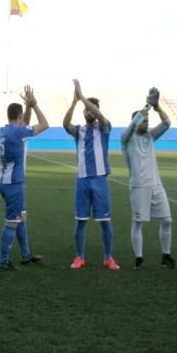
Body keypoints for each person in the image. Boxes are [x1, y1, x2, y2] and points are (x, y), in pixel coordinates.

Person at [62, 78, 117, 270]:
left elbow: (101, 117)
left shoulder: (104, 127)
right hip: (83, 180)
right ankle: (79, 257)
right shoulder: (79, 130)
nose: (88, 112)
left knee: (105, 221)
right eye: (85, 110)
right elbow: (65, 123)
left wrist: (83, 97)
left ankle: (108, 257)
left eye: (91, 109)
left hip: (100, 180)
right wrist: (75, 101)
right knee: (81, 221)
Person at [120, 87, 177, 269]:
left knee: (167, 220)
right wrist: (145, 107)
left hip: (156, 184)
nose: (147, 123)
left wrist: (157, 107)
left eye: (147, 121)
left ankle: (166, 256)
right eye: (144, 121)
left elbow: (167, 123)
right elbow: (129, 130)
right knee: (138, 223)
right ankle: (139, 259)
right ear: (136, 123)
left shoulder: (151, 137)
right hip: (139, 186)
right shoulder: (127, 139)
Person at [0, 85, 49, 270]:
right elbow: (44, 125)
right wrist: (34, 105)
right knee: (12, 221)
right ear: (18, 117)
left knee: (21, 217)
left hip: (5, 180)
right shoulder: (18, 132)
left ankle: (26, 254)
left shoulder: (5, 130)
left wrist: (27, 108)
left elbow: (23, 123)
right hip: (14, 183)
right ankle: (2, 260)